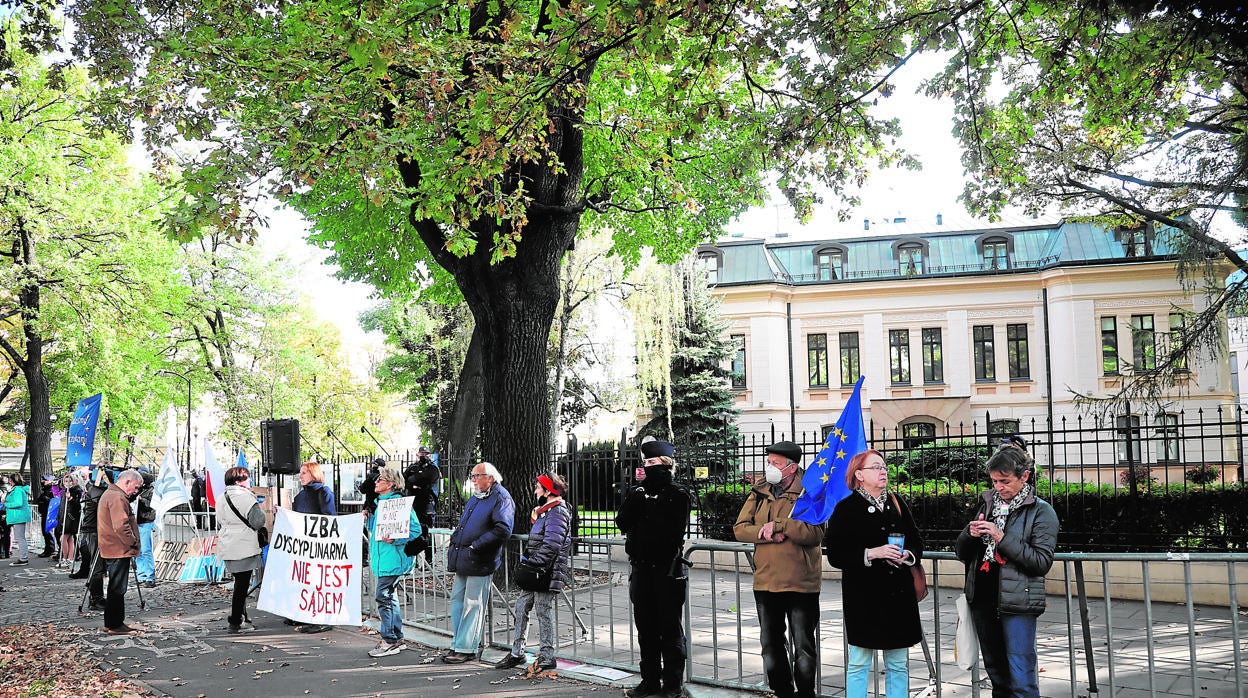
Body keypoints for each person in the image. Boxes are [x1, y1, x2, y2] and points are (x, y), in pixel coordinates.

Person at [955, 445, 1059, 698]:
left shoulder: (1041, 511)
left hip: (1017, 602)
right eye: (994, 481)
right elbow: (961, 554)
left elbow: (1041, 561)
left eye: (1005, 481)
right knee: (997, 675)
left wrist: (1001, 537)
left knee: (1021, 677)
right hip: (982, 598)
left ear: (1024, 476)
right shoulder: (987, 504)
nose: (998, 487)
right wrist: (969, 535)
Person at [825, 450, 925, 697]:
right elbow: (835, 554)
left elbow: (916, 541)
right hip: (864, 598)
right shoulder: (846, 509)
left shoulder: (897, 503)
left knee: (898, 664)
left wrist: (908, 555)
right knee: (859, 662)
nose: (883, 471)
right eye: (876, 467)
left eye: (884, 467)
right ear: (859, 475)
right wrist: (872, 553)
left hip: (898, 596)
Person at [733, 441, 825, 698]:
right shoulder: (760, 490)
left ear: (792, 467)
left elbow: (814, 533)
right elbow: (740, 528)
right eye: (769, 461)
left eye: (776, 463)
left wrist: (780, 524)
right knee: (771, 644)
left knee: (803, 645)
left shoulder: (810, 491)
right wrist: (765, 534)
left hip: (800, 582)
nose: (769, 467)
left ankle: (805, 693)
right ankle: (782, 691)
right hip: (766, 580)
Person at [615, 439, 691, 698]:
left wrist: (652, 501)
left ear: (666, 464)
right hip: (641, 570)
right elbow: (622, 522)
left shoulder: (677, 494)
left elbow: (670, 531)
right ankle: (649, 680)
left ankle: (672, 684)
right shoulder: (639, 493)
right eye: (645, 463)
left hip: (666, 571)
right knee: (645, 628)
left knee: (669, 629)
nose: (646, 467)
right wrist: (639, 497)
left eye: (652, 463)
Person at [496, 472, 573, 672]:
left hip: (546, 571)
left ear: (548, 491)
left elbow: (552, 544)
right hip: (537, 569)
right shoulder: (545, 511)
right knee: (521, 607)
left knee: (542, 611)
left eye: (539, 487)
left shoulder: (558, 512)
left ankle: (547, 655)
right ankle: (517, 653)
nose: (536, 490)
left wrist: (534, 563)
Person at [443, 461, 514, 664]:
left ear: (489, 478)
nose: (472, 480)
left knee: (472, 605)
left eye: (476, 476)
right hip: (464, 557)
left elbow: (503, 529)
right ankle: (458, 643)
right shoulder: (478, 497)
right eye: (472, 476)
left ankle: (467, 647)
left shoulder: (500, 497)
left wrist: (476, 545)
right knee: (457, 601)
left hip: (480, 558)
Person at [366, 466, 422, 658]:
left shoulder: (398, 503)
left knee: (384, 596)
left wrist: (396, 539)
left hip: (393, 560)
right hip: (385, 559)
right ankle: (396, 637)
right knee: (389, 597)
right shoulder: (379, 503)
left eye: (380, 479)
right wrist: (368, 519)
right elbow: (375, 532)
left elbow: (416, 530)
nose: (376, 482)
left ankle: (389, 640)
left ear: (390, 483)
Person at [290, 461, 337, 633]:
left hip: (319, 547)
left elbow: (330, 519)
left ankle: (322, 619)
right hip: (304, 548)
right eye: (300, 472)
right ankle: (308, 615)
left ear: (313, 474)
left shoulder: (324, 492)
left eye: (304, 473)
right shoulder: (300, 496)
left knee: (320, 584)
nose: (300, 476)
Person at [218, 465, 265, 634]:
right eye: (247, 478)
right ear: (239, 481)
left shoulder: (221, 497)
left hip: (228, 544)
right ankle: (236, 620)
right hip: (244, 545)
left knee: (239, 582)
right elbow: (258, 521)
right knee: (242, 585)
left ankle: (241, 617)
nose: (250, 481)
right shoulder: (247, 499)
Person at [97, 470, 143, 635]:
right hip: (118, 548)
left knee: (116, 588)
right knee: (117, 588)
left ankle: (113, 623)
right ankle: (115, 624)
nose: (136, 491)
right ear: (127, 481)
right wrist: (133, 542)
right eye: (136, 487)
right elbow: (121, 525)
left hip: (114, 547)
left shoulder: (112, 494)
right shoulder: (117, 497)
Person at [71, 468, 112, 614]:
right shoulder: (96, 492)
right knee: (97, 566)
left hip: (95, 530)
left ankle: (97, 598)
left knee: (98, 566)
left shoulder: (97, 491)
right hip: (94, 531)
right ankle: (96, 599)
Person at [403, 446, 440, 566]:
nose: (424, 456)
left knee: (427, 530)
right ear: (418, 454)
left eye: (426, 454)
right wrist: (415, 482)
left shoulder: (433, 468)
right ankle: (415, 559)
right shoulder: (412, 467)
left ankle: (429, 558)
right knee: (414, 530)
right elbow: (405, 480)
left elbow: (429, 480)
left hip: (427, 503)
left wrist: (415, 480)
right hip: (413, 503)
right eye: (422, 453)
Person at [135, 469, 157, 588]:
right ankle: (141, 574)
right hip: (137, 521)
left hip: (146, 521)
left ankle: (150, 576)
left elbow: (152, 505)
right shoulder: (138, 491)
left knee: (146, 550)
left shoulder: (151, 491)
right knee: (139, 550)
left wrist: (142, 500)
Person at [57, 472, 84, 570]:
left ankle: (66, 558)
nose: (68, 483)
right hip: (65, 518)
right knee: (69, 539)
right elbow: (62, 506)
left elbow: (78, 505)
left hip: (72, 518)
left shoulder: (76, 491)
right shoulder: (64, 492)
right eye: (66, 481)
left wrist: (71, 499)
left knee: (63, 538)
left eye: (70, 481)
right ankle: (69, 558)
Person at [4, 474, 31, 566]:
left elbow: (18, 503)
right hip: (18, 516)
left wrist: (6, 504)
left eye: (10, 480)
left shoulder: (18, 490)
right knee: (20, 538)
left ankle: (23, 558)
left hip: (18, 516)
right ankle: (23, 557)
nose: (9, 482)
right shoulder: (18, 489)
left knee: (20, 538)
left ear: (12, 481)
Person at [36, 475, 58, 559]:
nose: (42, 481)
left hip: (50, 514)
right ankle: (48, 548)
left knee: (48, 532)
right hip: (45, 513)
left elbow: (55, 502)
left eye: (45, 480)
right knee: (45, 532)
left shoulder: (52, 490)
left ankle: (50, 549)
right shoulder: (45, 491)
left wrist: (47, 500)